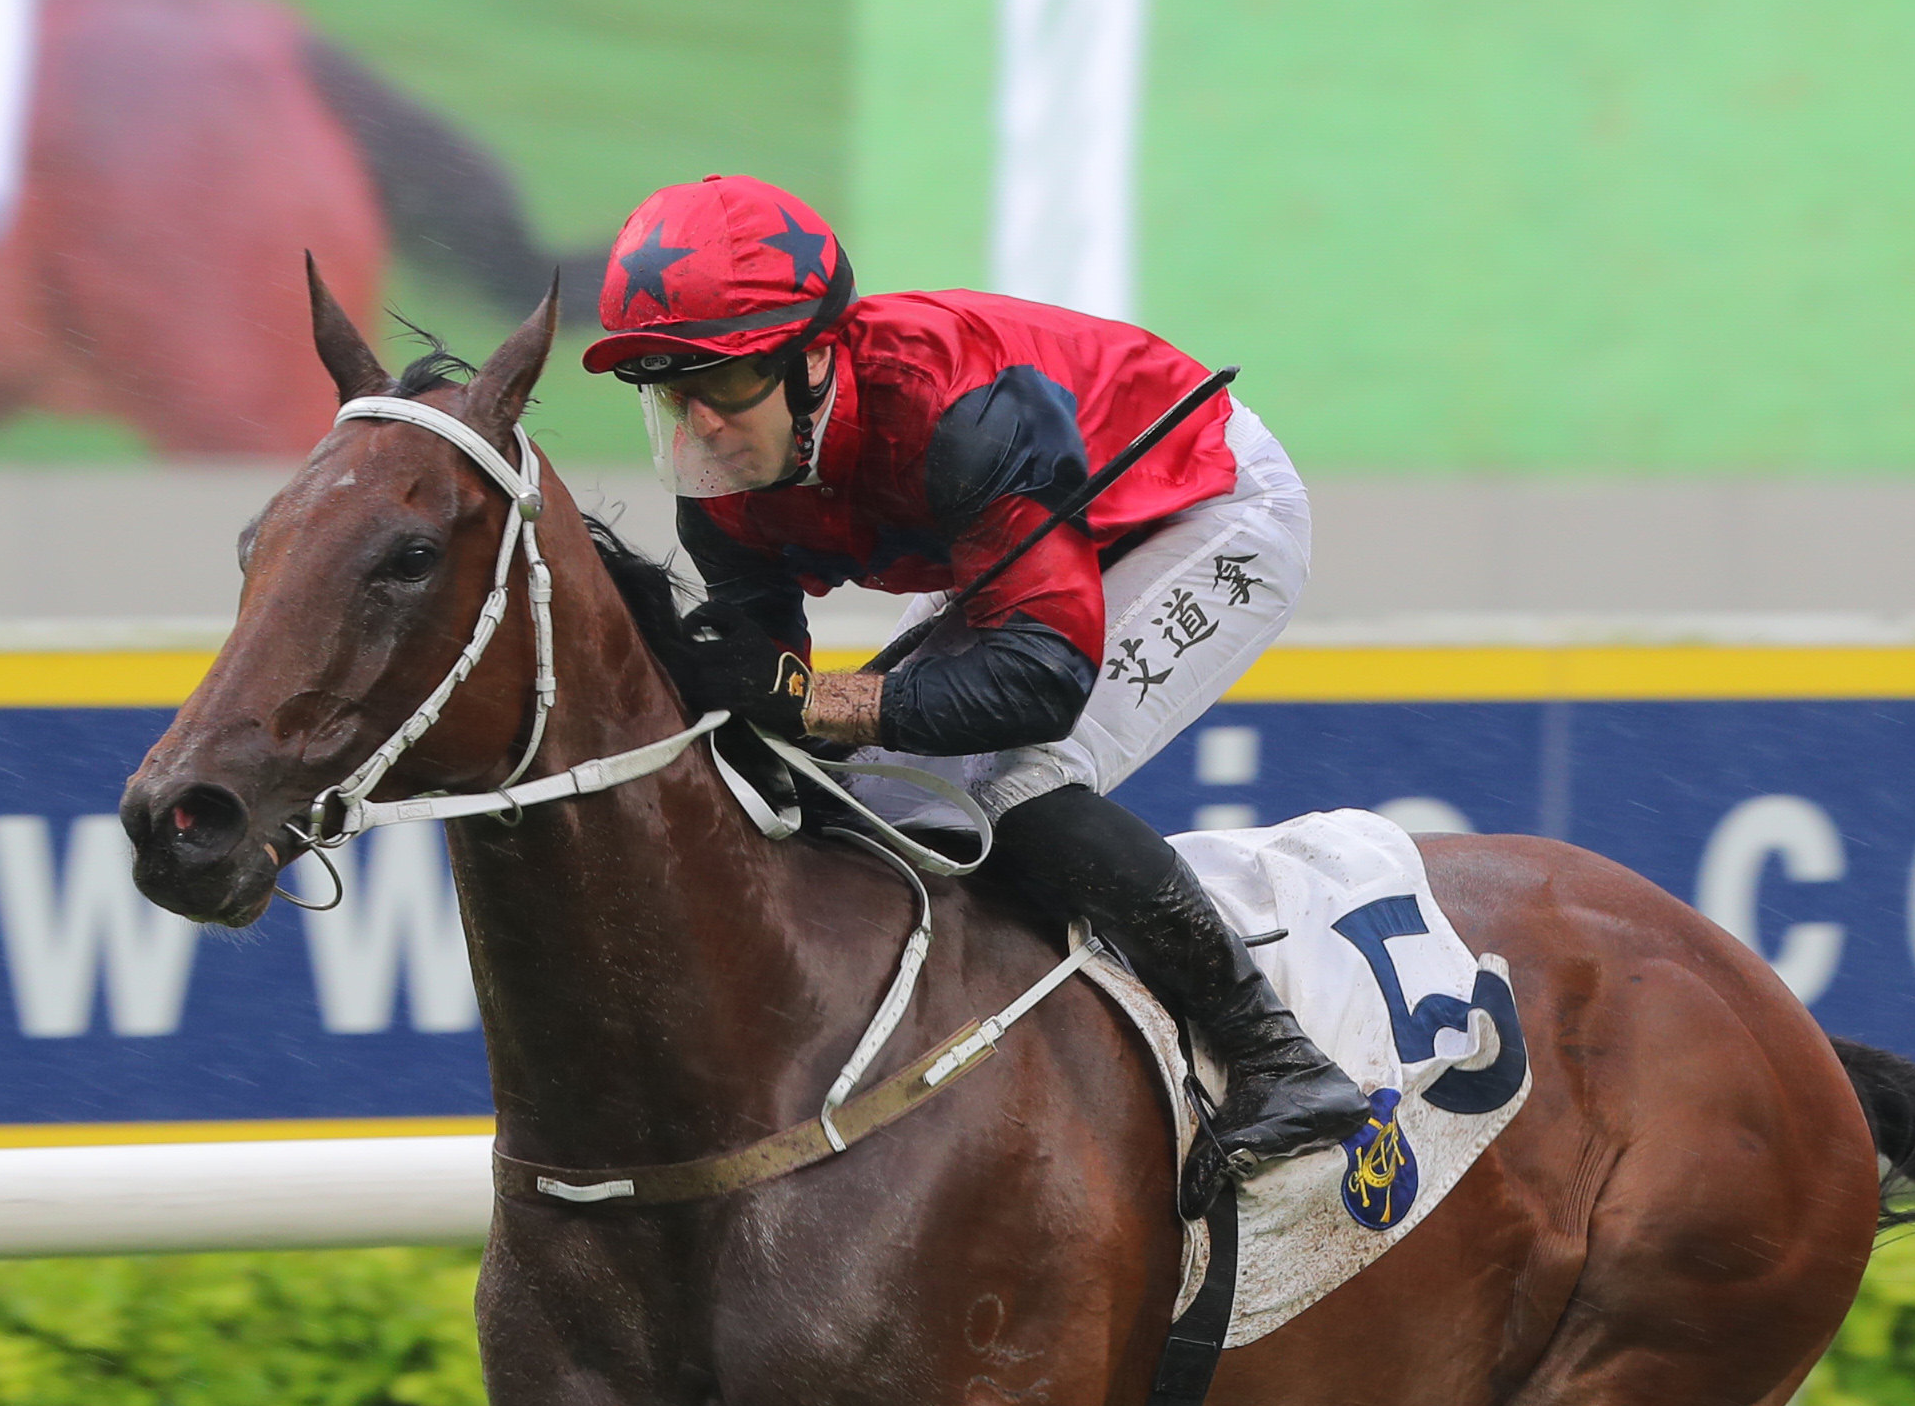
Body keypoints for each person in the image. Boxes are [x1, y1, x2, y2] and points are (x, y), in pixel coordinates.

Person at [579, 172, 1370, 1173]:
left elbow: (1041, 681)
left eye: (725, 383)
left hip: (1200, 505)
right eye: (669, 390)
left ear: (816, 357)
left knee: (1021, 789)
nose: (701, 426)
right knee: (877, 804)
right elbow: (770, 702)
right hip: (1022, 539)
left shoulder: (959, 406)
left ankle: (1278, 1060)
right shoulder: (725, 479)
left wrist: (812, 700)